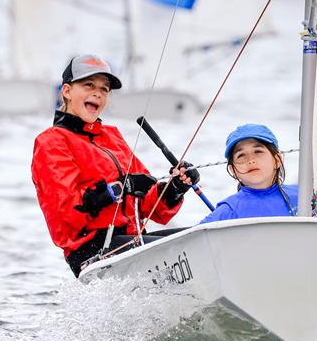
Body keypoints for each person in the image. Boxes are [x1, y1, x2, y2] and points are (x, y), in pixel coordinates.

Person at [31, 54, 199, 277]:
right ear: (67, 91)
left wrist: (175, 188)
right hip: (93, 253)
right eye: (89, 85)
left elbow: (152, 208)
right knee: (193, 246)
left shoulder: (112, 137)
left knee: (199, 237)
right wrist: (118, 188)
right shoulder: (51, 142)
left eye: (104, 89)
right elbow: (67, 215)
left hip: (131, 242)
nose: (98, 93)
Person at [200, 124, 297, 224]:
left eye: (258, 151)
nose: (251, 160)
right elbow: (194, 233)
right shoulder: (228, 211)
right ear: (233, 170)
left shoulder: (302, 195)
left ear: (277, 160)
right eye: (241, 155)